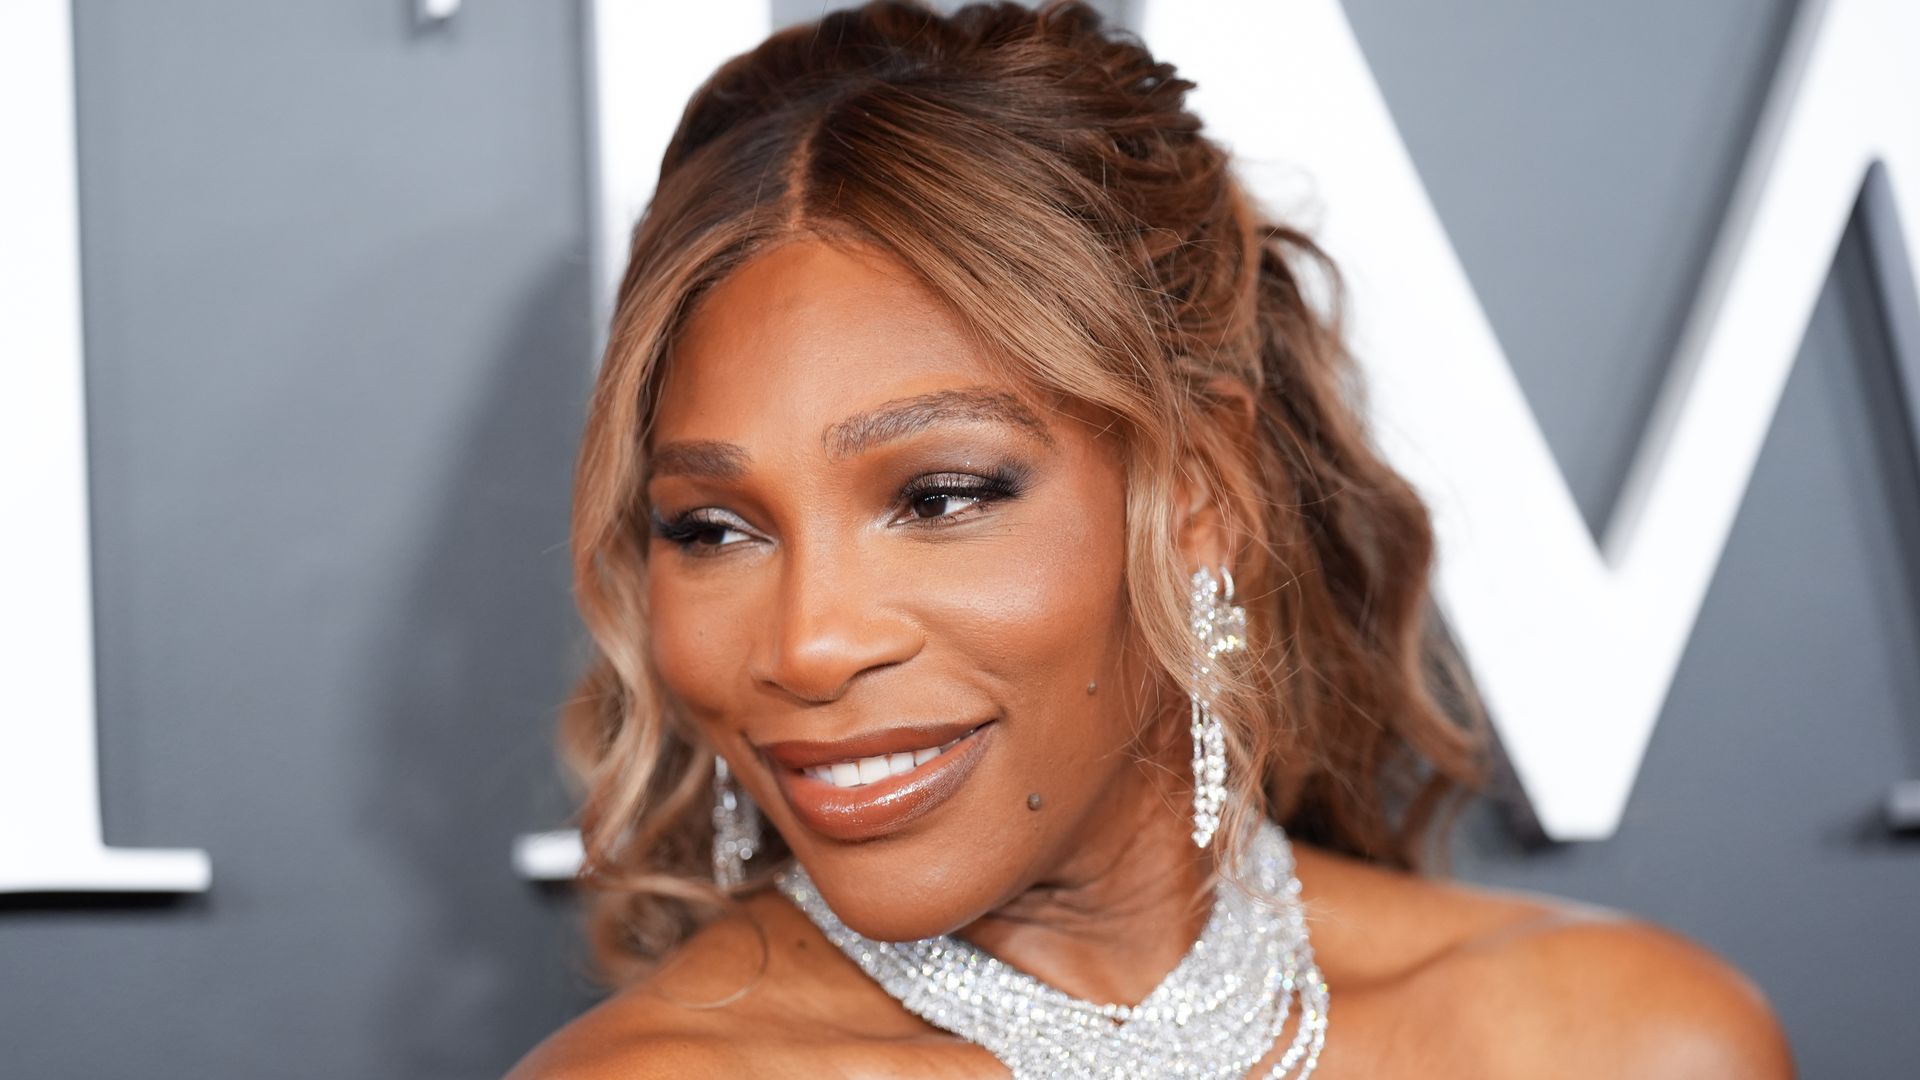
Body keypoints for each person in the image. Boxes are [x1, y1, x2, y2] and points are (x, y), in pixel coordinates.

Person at [508, 2, 1793, 1076]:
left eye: (941, 496)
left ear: (1199, 492)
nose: (808, 644)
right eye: (714, 528)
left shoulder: (1625, 1042)